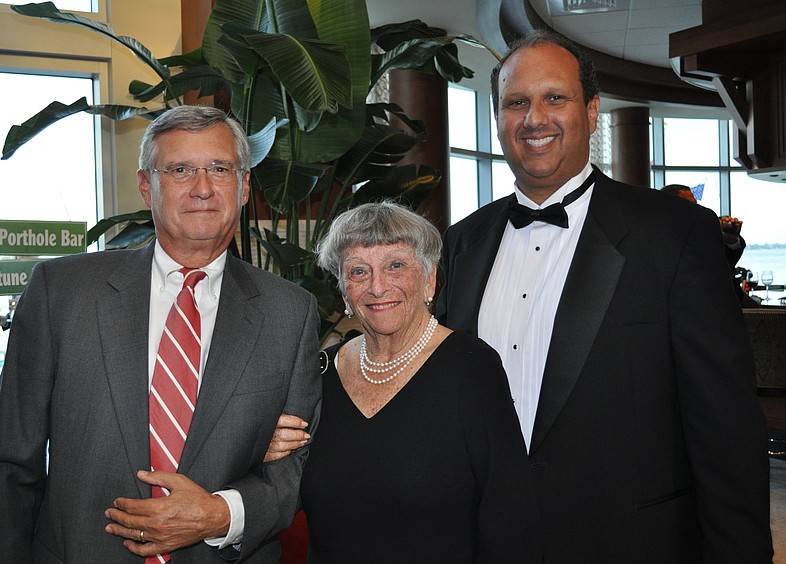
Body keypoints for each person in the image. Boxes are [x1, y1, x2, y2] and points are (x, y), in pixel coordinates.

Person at [436, 31, 772, 562]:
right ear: (497, 119)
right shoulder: (462, 242)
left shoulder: (675, 234)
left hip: (631, 541)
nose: (534, 119)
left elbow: (725, 428)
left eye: (555, 98)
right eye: (516, 102)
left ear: (592, 112)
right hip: (489, 540)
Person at [0, 105, 321, 563]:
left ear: (244, 187)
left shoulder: (290, 313)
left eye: (219, 168)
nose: (202, 188)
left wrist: (222, 514)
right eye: (179, 169)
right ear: (146, 185)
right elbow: (8, 465)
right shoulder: (62, 293)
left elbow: (296, 469)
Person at [272, 202, 537, 563]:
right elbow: (283, 492)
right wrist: (266, 448)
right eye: (359, 271)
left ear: (429, 279)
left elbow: (509, 516)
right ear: (344, 290)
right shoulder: (320, 372)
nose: (378, 286)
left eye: (396, 265)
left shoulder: (471, 366)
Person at [660, 184, 754, 305]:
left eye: (695, 205)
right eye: (689, 205)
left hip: (724, 304)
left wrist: (731, 239)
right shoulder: (658, 238)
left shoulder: (707, 232)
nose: (696, 211)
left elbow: (726, 265)